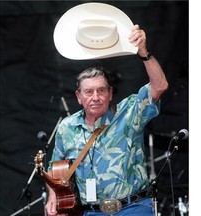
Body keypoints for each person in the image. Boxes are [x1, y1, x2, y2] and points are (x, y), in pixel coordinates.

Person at [45, 22, 168, 216]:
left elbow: (159, 85)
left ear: (110, 93)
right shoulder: (67, 127)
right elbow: (55, 170)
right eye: (88, 92)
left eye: (101, 90)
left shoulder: (129, 112)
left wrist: (143, 52)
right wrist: (53, 197)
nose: (95, 97)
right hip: (91, 212)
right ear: (79, 97)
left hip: (133, 208)